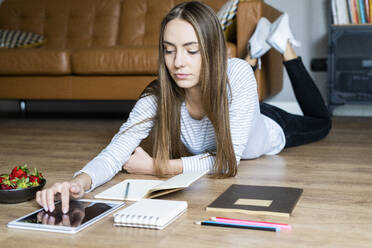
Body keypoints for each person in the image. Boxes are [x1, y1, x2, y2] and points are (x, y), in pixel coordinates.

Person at [36, 1, 331, 214]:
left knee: (321, 121)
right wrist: (78, 183)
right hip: (238, 104)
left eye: (192, 50)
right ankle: (257, 50)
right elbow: (116, 151)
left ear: (212, 49)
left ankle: (285, 46)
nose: (178, 62)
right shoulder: (156, 96)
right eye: (169, 49)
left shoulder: (237, 74)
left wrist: (157, 167)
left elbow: (229, 162)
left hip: (269, 126)